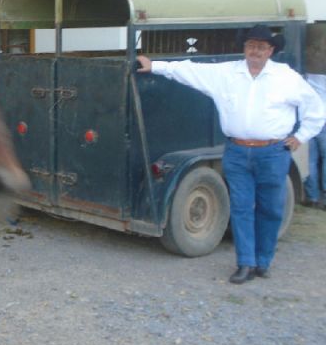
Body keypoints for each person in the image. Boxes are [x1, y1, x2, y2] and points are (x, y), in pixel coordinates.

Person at [136, 25, 325, 284]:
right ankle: (245, 263)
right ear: (244, 48)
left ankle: (263, 261)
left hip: (272, 153)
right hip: (237, 151)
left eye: (261, 47)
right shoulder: (226, 73)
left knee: (271, 209)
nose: (255, 51)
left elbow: (315, 109)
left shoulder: (286, 77)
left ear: (270, 50)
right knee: (241, 208)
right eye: (251, 45)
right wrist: (155, 66)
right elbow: (190, 70)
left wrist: (301, 136)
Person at [303, 73, 326, 208]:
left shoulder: (305, 75)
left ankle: (312, 197)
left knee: (309, 160)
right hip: (324, 119)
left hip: (308, 119)